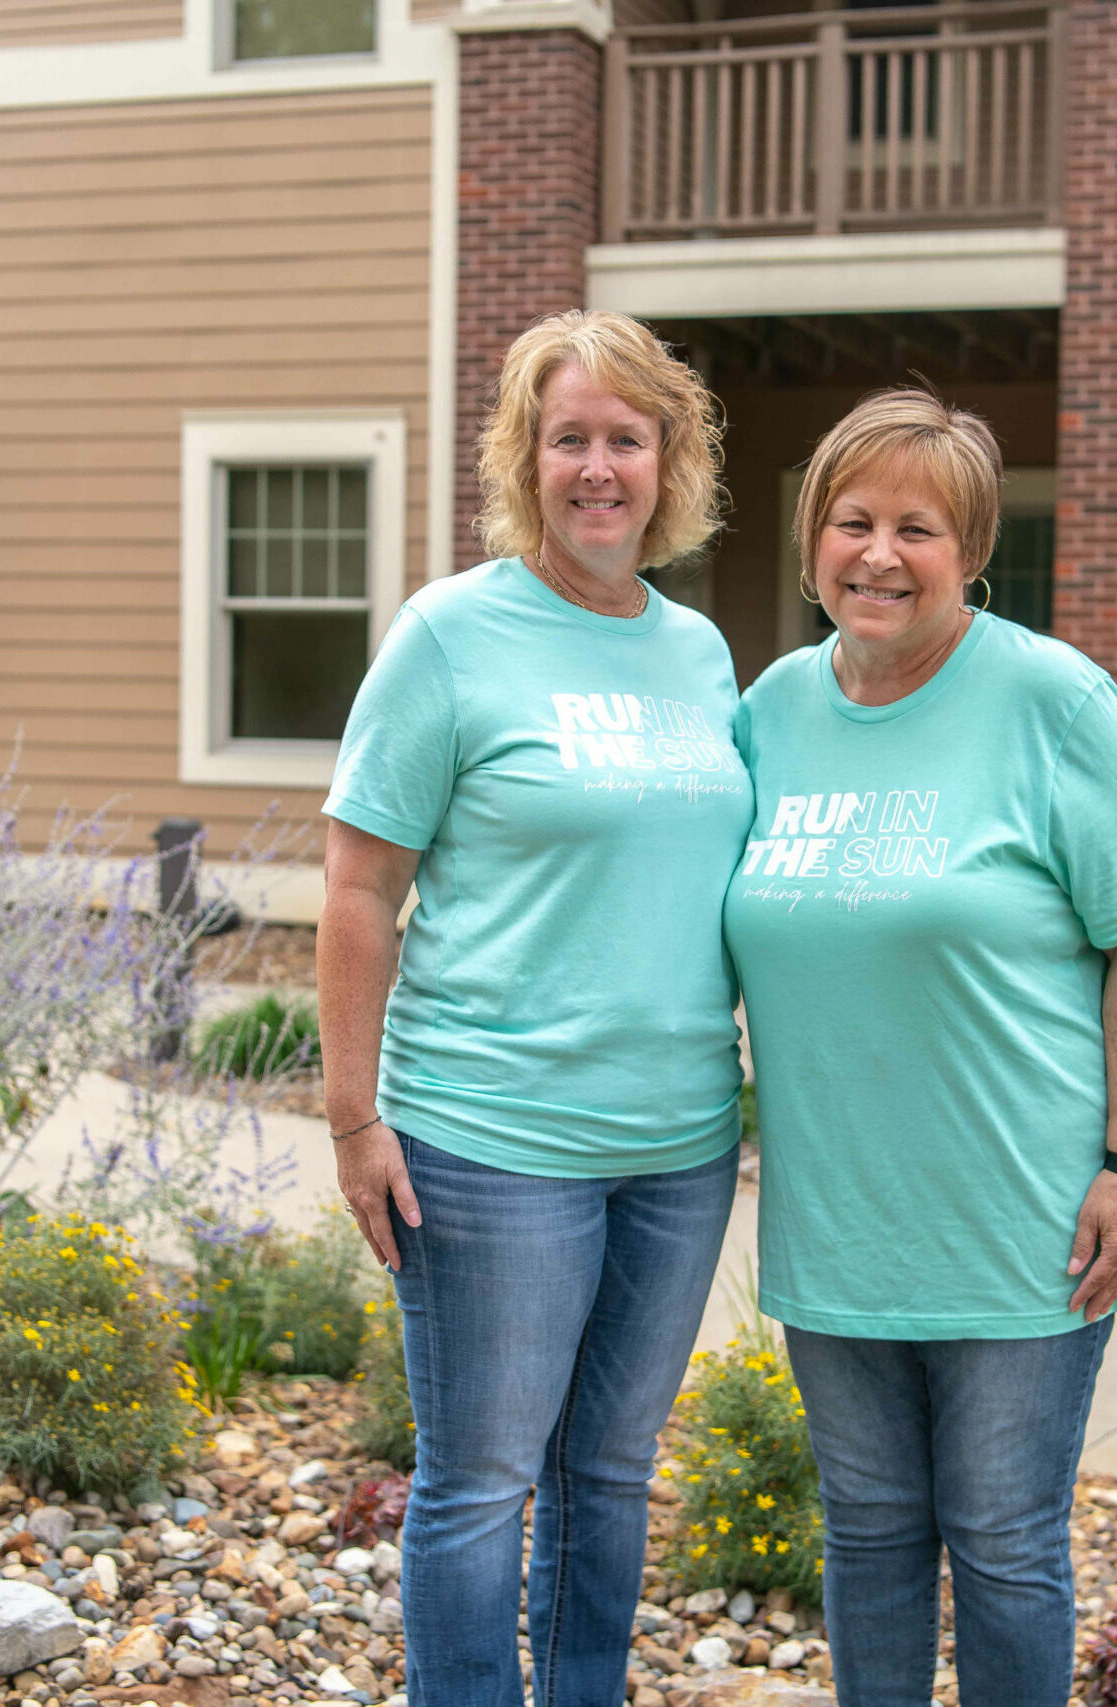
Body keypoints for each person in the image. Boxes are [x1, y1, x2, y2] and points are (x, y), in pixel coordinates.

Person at [723, 389, 1117, 1707]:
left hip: (1023, 1227)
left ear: (973, 552)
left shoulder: (1050, 698)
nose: (879, 554)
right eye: (852, 520)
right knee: (868, 1539)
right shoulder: (772, 710)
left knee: (999, 1547)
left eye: (917, 528)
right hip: (837, 1231)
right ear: (813, 537)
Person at [316, 309, 753, 1707]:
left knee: (613, 1471)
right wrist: (350, 1117)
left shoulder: (700, 654)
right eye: (570, 438)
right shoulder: (451, 636)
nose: (600, 468)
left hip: (678, 1142)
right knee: (484, 1479)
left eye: (628, 437)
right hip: (488, 1138)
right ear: (527, 457)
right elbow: (359, 889)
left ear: (669, 459)